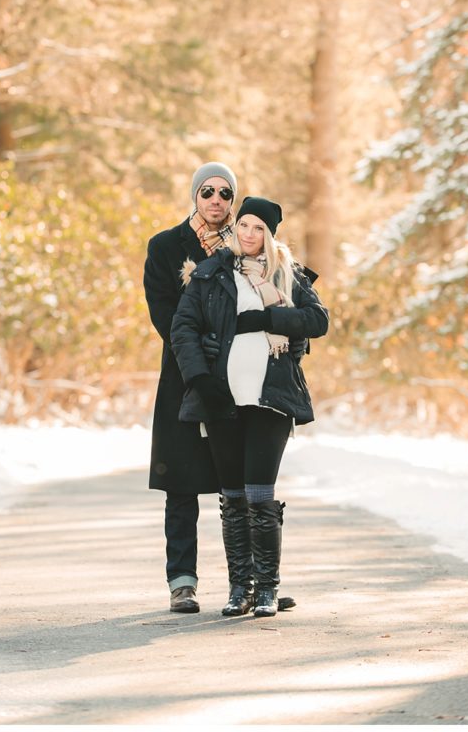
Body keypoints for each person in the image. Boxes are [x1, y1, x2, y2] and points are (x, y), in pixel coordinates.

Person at [143, 162, 293, 614]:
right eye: (206, 191)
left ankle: (255, 583)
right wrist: (203, 352)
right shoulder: (166, 247)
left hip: (244, 381)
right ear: (195, 195)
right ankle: (182, 582)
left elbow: (291, 295)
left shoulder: (250, 243)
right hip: (188, 378)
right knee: (183, 486)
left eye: (225, 193)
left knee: (248, 487)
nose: (216, 200)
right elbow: (166, 315)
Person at [172, 194, 328, 619]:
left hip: (271, 398)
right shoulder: (210, 274)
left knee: (261, 494)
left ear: (270, 234)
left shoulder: (288, 275)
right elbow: (183, 329)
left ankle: (267, 590)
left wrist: (268, 320)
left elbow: (318, 321)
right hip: (222, 399)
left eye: (259, 228)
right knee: (233, 496)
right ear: (236, 228)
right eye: (244, 225)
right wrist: (201, 380)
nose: (249, 234)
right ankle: (239, 588)